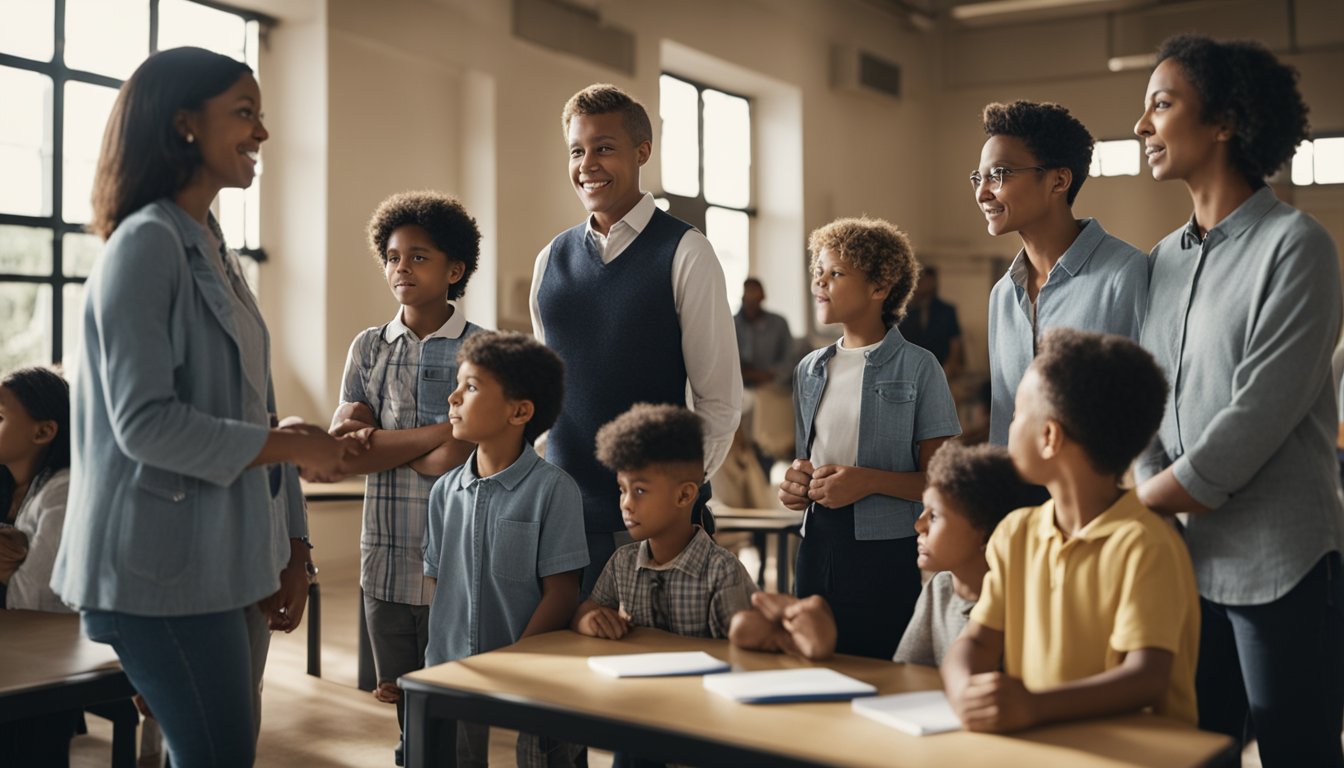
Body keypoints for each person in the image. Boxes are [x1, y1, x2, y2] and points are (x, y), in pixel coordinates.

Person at [50, 47, 358, 767]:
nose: (263, 134)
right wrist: (292, 446)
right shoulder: (147, 245)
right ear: (185, 124)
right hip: (161, 571)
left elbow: (261, 405)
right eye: (244, 113)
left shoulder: (213, 248)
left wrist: (294, 547)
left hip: (230, 560)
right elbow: (145, 424)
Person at [1133, 34, 1344, 766]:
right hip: (1182, 563)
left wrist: (1138, 506)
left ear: (1224, 120)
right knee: (1196, 750)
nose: (1142, 126)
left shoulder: (1297, 245)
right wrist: (1145, 494)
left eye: (1161, 104)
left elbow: (1257, 414)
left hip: (1278, 563)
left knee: (1295, 752)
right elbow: (1144, 398)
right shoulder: (1161, 259)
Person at [530, 83, 742, 598]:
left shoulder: (686, 252)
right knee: (566, 668)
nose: (587, 164)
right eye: (577, 151)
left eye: (604, 147)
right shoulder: (549, 261)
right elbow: (547, 401)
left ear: (641, 152)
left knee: (665, 669)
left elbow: (719, 400)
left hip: (655, 521)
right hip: (564, 519)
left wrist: (675, 493)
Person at [942, 329, 1199, 733]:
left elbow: (1146, 678)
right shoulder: (1016, 533)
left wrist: (1033, 707)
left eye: (1017, 414)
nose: (1008, 424)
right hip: (1051, 746)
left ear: (1049, 437)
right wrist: (962, 689)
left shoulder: (1145, 546)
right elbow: (977, 642)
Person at [327, 190, 484, 763]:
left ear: (454, 269)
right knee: (407, 713)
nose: (401, 268)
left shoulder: (483, 350)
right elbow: (346, 454)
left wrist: (385, 443)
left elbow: (456, 463)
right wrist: (438, 432)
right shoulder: (369, 348)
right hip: (386, 560)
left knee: (461, 714)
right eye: (393, 257)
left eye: (418, 257)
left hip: (458, 568)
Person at [778, 216, 961, 659]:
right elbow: (806, 457)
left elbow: (941, 483)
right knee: (815, 665)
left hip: (886, 553)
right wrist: (795, 485)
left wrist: (869, 481)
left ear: (880, 287)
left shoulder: (920, 368)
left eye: (836, 273)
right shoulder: (809, 369)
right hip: (816, 544)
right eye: (818, 270)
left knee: (882, 670)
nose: (820, 281)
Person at [423, 331, 588, 767]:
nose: (453, 396)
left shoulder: (555, 491)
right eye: (458, 384)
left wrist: (517, 661)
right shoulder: (444, 492)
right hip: (450, 672)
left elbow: (563, 592)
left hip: (530, 676)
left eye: (471, 386)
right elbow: (437, 583)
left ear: (520, 411)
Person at [728, 441, 1029, 667]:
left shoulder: (1018, 604)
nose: (918, 524)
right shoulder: (941, 588)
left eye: (935, 517)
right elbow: (906, 669)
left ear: (985, 533)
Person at [977, 100, 1147, 447]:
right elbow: (1003, 423)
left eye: (999, 175)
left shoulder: (1123, 274)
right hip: (1020, 498)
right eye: (978, 178)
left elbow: (1140, 410)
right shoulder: (1002, 294)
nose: (982, 193)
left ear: (1058, 181)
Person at [573, 403, 757, 640]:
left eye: (639, 491)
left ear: (684, 495)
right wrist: (589, 621)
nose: (625, 503)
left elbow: (742, 647)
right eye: (622, 489)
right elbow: (585, 612)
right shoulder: (622, 563)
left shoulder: (721, 571)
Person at [0, 366, 71, 613]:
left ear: (43, 432)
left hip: (38, 639)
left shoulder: (63, 491)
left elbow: (37, 599)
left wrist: (8, 571)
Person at [898, 266, 964, 381]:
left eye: (927, 280)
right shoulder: (903, 310)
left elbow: (955, 341)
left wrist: (950, 366)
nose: (924, 284)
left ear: (934, 282)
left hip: (939, 366)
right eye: (921, 280)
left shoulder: (946, 310)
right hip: (909, 368)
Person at [735, 277, 794, 389]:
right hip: (739, 386)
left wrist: (770, 375)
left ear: (763, 297)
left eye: (755, 299)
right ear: (742, 298)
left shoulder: (779, 323)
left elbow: (789, 359)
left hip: (772, 386)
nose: (751, 304)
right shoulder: (731, 325)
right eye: (748, 299)